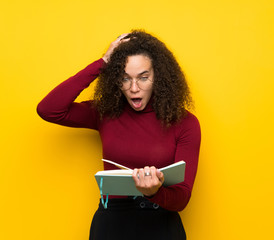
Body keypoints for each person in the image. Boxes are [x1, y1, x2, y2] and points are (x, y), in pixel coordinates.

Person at [37, 30, 201, 240]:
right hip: (111, 224)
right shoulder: (106, 112)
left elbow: (182, 199)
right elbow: (49, 109)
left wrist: (153, 192)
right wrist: (102, 62)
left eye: (143, 77)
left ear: (158, 77)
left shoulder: (185, 123)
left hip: (161, 224)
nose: (134, 88)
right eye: (125, 78)